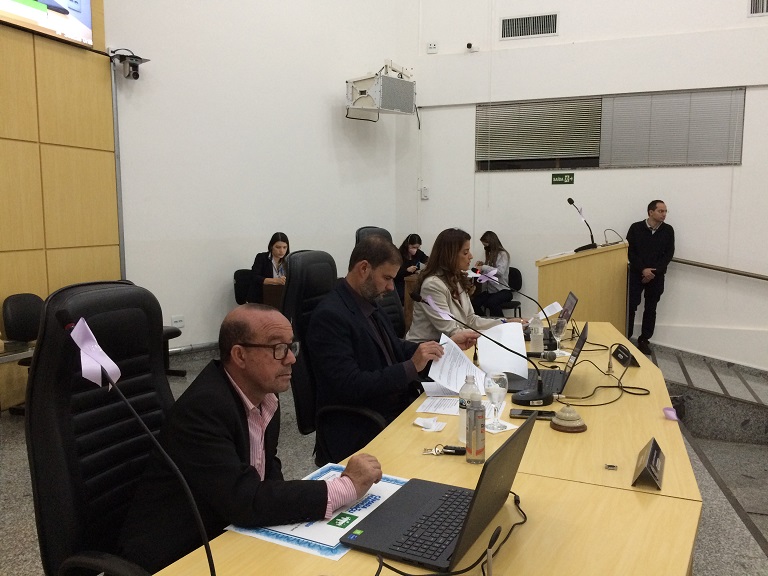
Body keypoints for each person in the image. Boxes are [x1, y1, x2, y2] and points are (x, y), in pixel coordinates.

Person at [118, 304, 382, 573]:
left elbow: (266, 470)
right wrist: (345, 487)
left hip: (230, 530)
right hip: (180, 553)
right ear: (240, 355)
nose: (291, 359)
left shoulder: (265, 394)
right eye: (278, 348)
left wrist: (290, 516)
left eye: (291, 346)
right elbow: (244, 501)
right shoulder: (204, 409)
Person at [306, 235, 477, 461]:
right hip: (362, 424)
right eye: (387, 278)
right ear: (364, 268)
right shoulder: (330, 316)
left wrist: (442, 348)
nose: (390, 287)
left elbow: (394, 347)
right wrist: (411, 367)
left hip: (393, 406)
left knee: (462, 432)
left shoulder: (368, 303)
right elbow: (350, 385)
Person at [406, 228, 525, 343]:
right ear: (450, 255)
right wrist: (501, 332)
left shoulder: (456, 280)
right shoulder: (432, 285)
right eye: (465, 252)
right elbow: (452, 331)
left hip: (447, 345)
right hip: (426, 349)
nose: (471, 256)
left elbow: (471, 320)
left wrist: (505, 323)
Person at [626, 200, 675, 355]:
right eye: (661, 211)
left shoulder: (668, 230)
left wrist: (653, 272)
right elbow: (630, 251)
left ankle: (644, 340)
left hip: (656, 276)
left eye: (665, 211)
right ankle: (626, 336)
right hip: (636, 274)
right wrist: (643, 270)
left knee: (651, 308)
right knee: (631, 306)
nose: (664, 214)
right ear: (650, 212)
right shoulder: (636, 228)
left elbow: (668, 254)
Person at [470, 230, 514, 317]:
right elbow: (488, 274)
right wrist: (481, 268)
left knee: (492, 303)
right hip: (490, 292)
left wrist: (484, 267)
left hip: (503, 291)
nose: (485, 248)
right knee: (474, 303)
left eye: (486, 245)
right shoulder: (489, 256)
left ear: (492, 243)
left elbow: (500, 272)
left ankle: (502, 323)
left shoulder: (503, 254)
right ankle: (484, 321)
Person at [248, 232, 290, 303]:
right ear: (271, 246)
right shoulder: (262, 258)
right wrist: (275, 281)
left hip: (281, 297)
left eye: (284, 247)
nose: (282, 251)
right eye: (278, 247)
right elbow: (254, 277)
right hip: (262, 297)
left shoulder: (289, 261)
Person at [394, 233, 429, 303]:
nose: (415, 250)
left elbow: (428, 261)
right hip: (401, 283)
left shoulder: (418, 253)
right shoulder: (399, 254)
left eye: (417, 247)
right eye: (413, 247)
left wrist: (419, 270)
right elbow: (395, 274)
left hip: (413, 283)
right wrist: (407, 270)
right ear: (407, 244)